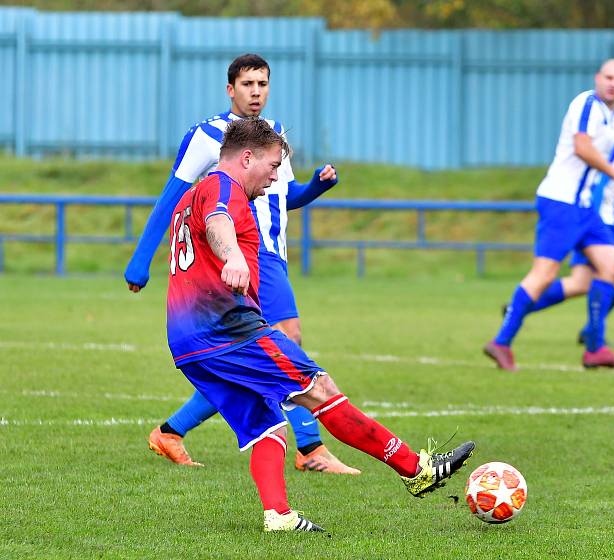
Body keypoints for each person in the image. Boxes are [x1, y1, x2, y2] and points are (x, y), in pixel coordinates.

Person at [166, 117, 475, 531]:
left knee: (267, 423)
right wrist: (233, 257)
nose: (276, 176)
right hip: (226, 330)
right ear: (246, 157)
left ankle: (278, 516)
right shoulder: (224, 187)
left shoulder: (190, 197)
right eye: (273, 166)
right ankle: (415, 469)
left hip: (188, 340)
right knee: (319, 388)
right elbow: (219, 223)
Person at [125, 53, 358, 474]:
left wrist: (317, 187)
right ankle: (310, 448)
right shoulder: (206, 136)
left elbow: (285, 197)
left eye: (263, 84)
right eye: (248, 84)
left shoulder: (275, 136)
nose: (256, 92)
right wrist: (140, 263)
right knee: (288, 338)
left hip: (273, 257)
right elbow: (171, 197)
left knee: (247, 359)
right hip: (242, 259)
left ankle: (171, 431)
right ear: (230, 89)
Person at [483, 59, 614, 371]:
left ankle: (595, 348)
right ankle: (501, 342)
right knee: (544, 274)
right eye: (608, 77)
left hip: (585, 208)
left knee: (612, 266)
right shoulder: (587, 103)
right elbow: (582, 147)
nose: (612, 83)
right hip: (561, 202)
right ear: (597, 78)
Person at [502, 95, 614, 363]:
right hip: (601, 217)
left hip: (605, 218)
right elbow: (600, 175)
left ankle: (519, 309)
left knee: (580, 283)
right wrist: (591, 216)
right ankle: (593, 336)